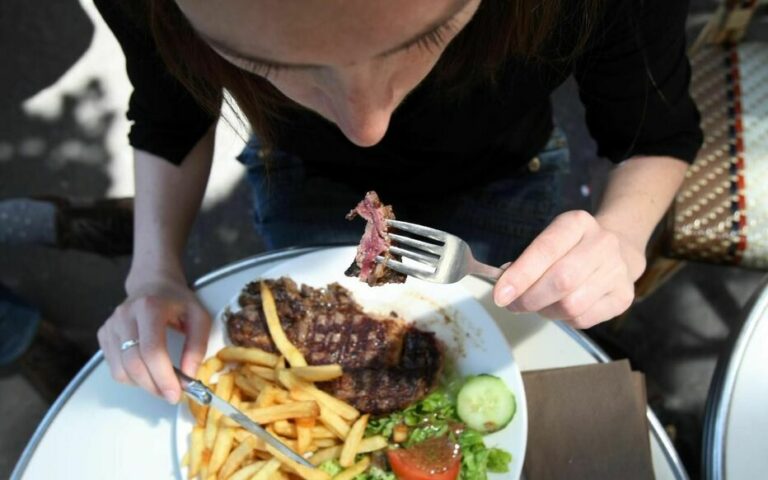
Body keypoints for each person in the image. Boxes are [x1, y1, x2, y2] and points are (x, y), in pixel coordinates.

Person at [94, 0, 702, 403]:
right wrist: (154, 272)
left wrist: (621, 237)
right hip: (305, 181)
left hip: (506, 175)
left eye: (429, 36)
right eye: (268, 64)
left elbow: (654, 133)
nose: (366, 127)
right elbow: (170, 112)